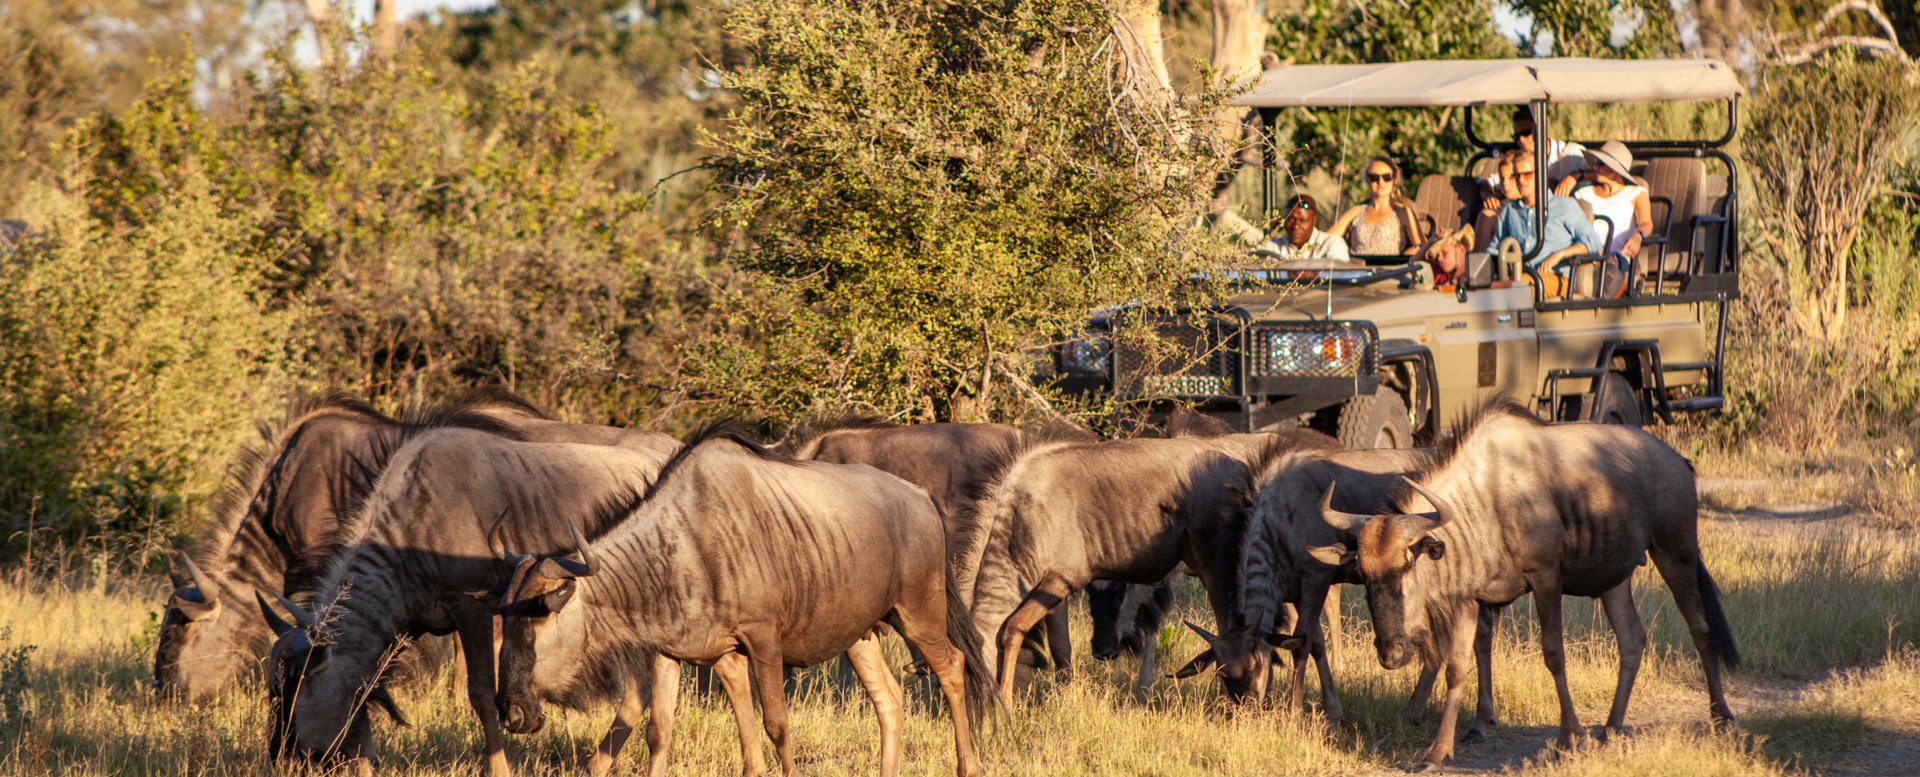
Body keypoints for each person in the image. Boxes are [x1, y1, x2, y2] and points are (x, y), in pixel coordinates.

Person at [1487, 153, 1601, 295]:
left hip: (1557, 277)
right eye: (1516, 176)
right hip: (1519, 276)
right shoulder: (1510, 210)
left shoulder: (1564, 205)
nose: (1521, 181)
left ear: (1541, 174)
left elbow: (1593, 242)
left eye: (1527, 175)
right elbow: (1494, 249)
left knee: (1516, 288)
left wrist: (1559, 255)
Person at [1573, 140, 1654, 273]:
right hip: (1586, 252)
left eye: (1601, 163)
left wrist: (1638, 236)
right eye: (1596, 162)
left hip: (1615, 257)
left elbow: (1646, 223)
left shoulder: (1635, 193)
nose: (1595, 167)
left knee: (1607, 262)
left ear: (1616, 169)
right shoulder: (1583, 194)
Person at [1328, 156, 1425, 257]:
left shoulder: (1403, 212)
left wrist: (1405, 256)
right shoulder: (1355, 212)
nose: (1380, 181)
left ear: (1394, 179)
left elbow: (1422, 246)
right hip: (1357, 269)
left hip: (1389, 271)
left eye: (1387, 177)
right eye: (1374, 178)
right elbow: (1326, 239)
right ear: (1368, 180)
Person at [1485, 106, 1589, 197]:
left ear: (1540, 129)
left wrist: (1574, 176)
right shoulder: (1519, 161)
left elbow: (1599, 175)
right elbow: (1489, 182)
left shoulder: (1571, 153)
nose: (1521, 140)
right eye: (1517, 136)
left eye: (1525, 133)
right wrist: (1489, 196)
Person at [1258, 194, 1351, 261]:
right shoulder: (1271, 247)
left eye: (1303, 220)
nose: (1296, 226)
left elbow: (1339, 275)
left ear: (1314, 220)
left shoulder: (1332, 244)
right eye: (1291, 219)